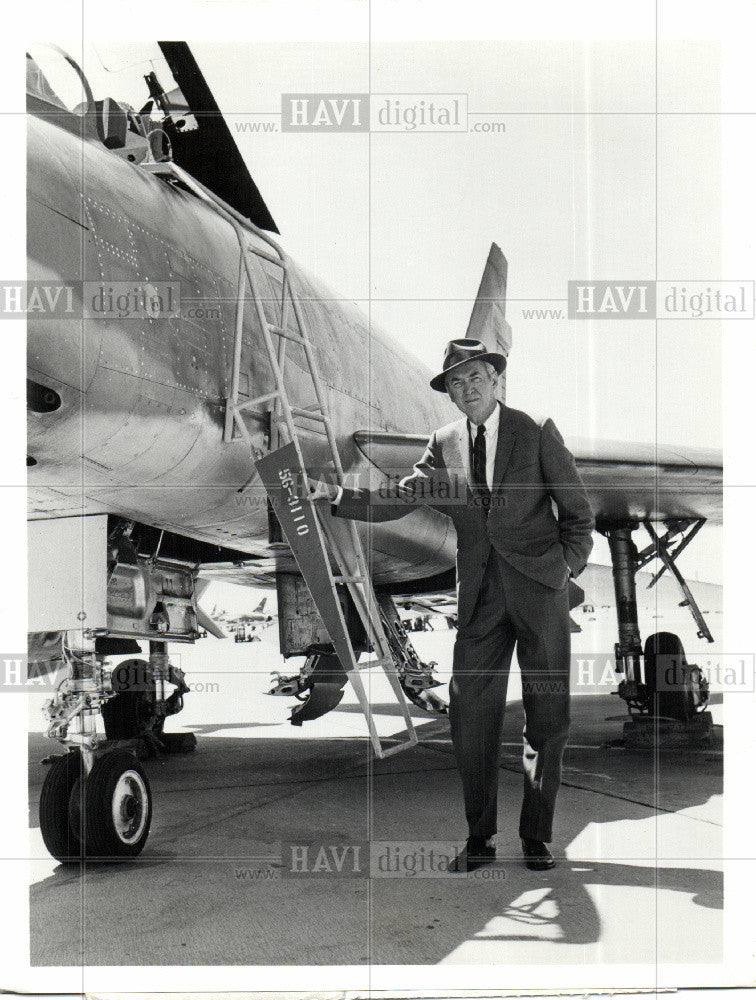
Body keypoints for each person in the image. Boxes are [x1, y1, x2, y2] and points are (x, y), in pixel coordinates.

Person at [309, 338, 594, 872]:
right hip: (480, 598)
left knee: (547, 719)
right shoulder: (443, 444)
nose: (467, 390)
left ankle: (536, 837)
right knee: (471, 722)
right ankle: (479, 838)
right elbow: (400, 497)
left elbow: (577, 512)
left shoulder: (535, 431)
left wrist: (565, 567)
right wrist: (340, 498)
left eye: (475, 378)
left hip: (540, 593)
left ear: (495, 378)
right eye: (456, 384)